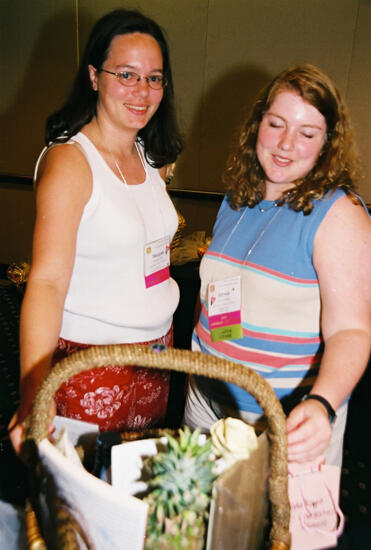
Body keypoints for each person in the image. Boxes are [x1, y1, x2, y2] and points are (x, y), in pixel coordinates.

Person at [9, 9, 183, 453]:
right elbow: (46, 283)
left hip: (157, 358)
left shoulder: (150, 156)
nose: (142, 91)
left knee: (138, 492)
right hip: (93, 366)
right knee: (84, 507)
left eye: (155, 78)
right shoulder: (71, 163)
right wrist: (34, 390)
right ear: (93, 76)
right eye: (126, 74)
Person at [184, 64, 370, 467]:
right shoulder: (237, 198)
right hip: (205, 401)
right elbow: (214, 297)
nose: (286, 144)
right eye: (276, 124)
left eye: (306, 134)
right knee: (199, 525)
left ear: (327, 144)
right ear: (257, 124)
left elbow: (352, 330)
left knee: (278, 531)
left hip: (283, 417)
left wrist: (323, 403)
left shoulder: (340, 214)